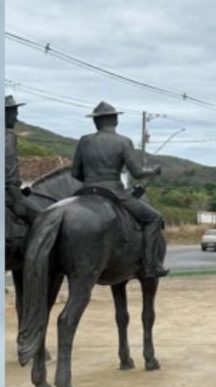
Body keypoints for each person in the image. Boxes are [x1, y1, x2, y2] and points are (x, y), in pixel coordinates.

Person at [70, 101, 168, 279]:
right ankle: (150, 265)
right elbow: (137, 173)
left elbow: (75, 173)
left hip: (86, 191)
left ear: (95, 122)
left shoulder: (84, 141)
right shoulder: (123, 142)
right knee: (154, 218)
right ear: (115, 120)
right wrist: (153, 170)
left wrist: (92, 182)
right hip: (114, 192)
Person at [6, 95, 42, 241]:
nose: (16, 119)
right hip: (6, 194)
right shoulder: (8, 136)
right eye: (14, 114)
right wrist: (17, 199)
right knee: (45, 220)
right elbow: (10, 171)